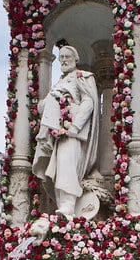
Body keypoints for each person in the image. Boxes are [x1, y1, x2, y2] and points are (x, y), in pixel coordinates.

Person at [32, 45, 100, 218]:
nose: (63, 60)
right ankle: (63, 206)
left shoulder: (82, 77)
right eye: (61, 57)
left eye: (67, 57)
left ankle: (69, 205)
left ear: (75, 59)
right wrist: (51, 103)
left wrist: (74, 126)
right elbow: (42, 107)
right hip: (56, 134)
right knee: (56, 168)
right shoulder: (58, 84)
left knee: (66, 164)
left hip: (71, 133)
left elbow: (89, 102)